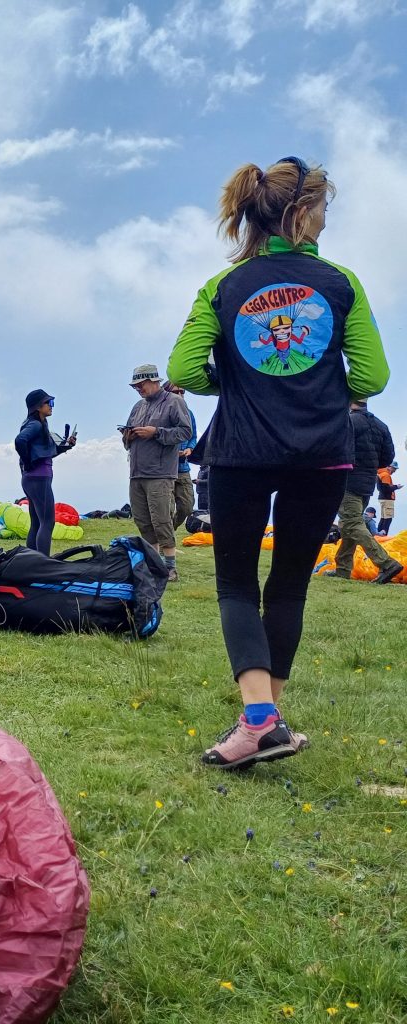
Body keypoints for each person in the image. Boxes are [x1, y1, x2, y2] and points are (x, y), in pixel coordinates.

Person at [167, 155, 390, 769]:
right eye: (322, 209)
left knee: (237, 584)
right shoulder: (342, 282)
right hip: (323, 456)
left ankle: (259, 723)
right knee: (288, 584)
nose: (325, 221)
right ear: (298, 214)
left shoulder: (222, 287)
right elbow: (373, 375)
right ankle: (266, 722)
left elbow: (185, 372)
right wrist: (320, 390)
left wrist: (238, 383)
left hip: (240, 453)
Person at [121, 364, 191, 582]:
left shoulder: (174, 402)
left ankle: (170, 568)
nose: (138, 389)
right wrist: (128, 436)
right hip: (137, 471)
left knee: (161, 520)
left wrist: (156, 432)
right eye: (136, 386)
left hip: (160, 472)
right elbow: (126, 439)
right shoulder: (137, 407)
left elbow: (185, 431)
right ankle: (154, 564)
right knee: (143, 520)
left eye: (141, 385)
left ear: (154, 381)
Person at [327, 401, 401, 583]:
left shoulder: (349, 422)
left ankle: (386, 563)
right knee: (349, 524)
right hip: (367, 484)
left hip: (348, 480)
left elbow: (334, 448)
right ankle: (343, 569)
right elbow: (387, 458)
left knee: (352, 523)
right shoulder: (381, 426)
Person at [14, 389, 76, 555]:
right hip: (39, 478)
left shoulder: (38, 424)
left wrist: (67, 446)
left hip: (30, 479)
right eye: (48, 403)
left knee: (36, 523)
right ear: (37, 407)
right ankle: (43, 564)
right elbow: (20, 441)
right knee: (48, 522)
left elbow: (46, 452)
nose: (51, 406)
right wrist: (27, 462)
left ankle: (31, 562)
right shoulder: (35, 425)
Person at [163, 381, 197, 528]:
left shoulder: (189, 414)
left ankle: (170, 530)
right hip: (164, 469)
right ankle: (166, 540)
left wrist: (190, 448)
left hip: (183, 468)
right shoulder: (160, 413)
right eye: (176, 392)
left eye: (182, 392)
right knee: (166, 509)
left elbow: (193, 437)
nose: (180, 395)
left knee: (187, 507)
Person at [376, 461, 401, 535]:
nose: (394, 471)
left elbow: (383, 488)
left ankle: (379, 535)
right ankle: (383, 535)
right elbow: (385, 489)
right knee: (388, 518)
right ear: (389, 467)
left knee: (384, 517)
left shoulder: (381, 474)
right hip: (387, 499)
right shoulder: (386, 475)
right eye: (394, 468)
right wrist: (396, 487)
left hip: (383, 499)